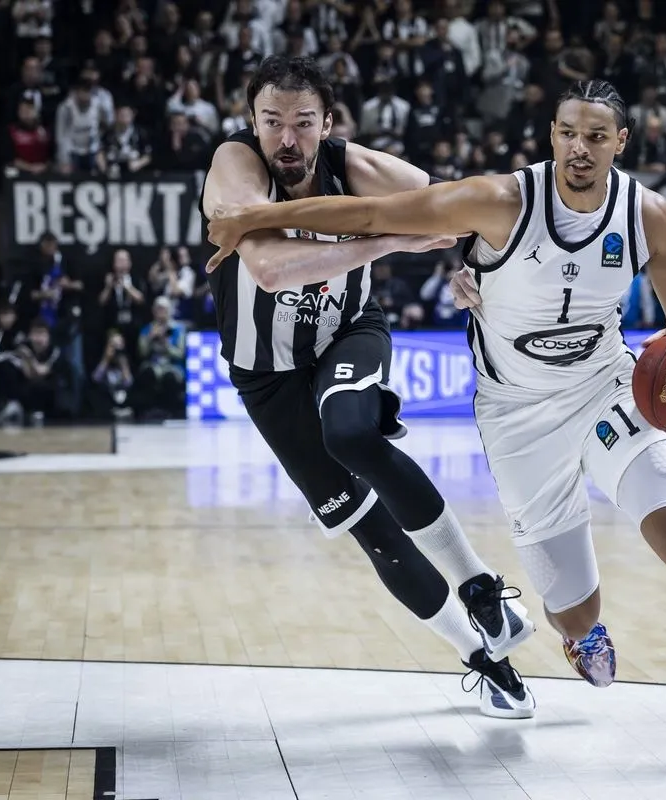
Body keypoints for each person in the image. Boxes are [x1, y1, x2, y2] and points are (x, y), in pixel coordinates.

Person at [207, 79, 666, 780]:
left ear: (620, 143)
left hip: (608, 389)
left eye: (596, 137)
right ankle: (578, 632)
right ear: (552, 135)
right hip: (518, 418)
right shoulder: (501, 200)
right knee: (573, 613)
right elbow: (371, 212)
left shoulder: (648, 214)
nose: (580, 148)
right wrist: (252, 220)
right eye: (568, 133)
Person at [197, 55, 536, 719]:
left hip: (346, 331)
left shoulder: (353, 165)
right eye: (272, 122)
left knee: (352, 432)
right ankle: (481, 656)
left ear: (328, 123)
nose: (287, 138)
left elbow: (458, 212)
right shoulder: (234, 166)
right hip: (265, 374)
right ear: (252, 121)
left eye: (303, 122)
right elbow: (270, 270)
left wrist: (471, 265)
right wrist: (386, 239)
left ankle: (481, 587)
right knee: (371, 529)